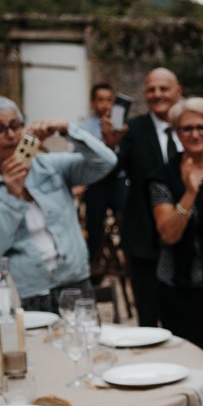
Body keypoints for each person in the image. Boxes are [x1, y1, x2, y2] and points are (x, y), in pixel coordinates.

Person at [0, 92, 116, 310]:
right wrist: (12, 196)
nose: (11, 134)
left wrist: (66, 129)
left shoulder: (51, 166)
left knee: (83, 342)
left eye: (15, 125)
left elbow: (106, 162)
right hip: (25, 294)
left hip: (75, 282)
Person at [148, 97, 203, 363]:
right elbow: (169, 234)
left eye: (201, 127)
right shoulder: (163, 177)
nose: (195, 134)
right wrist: (190, 192)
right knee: (193, 361)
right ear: (177, 133)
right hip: (181, 284)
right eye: (187, 129)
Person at [116, 67, 184, 327]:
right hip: (144, 239)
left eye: (163, 88)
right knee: (148, 315)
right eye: (151, 89)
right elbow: (112, 167)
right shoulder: (132, 130)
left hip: (187, 240)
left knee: (184, 316)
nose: (157, 94)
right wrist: (110, 143)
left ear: (178, 92)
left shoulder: (191, 129)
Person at [79, 82, 127, 276]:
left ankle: (124, 257)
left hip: (117, 180)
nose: (105, 105)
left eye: (109, 100)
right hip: (96, 182)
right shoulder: (84, 127)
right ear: (92, 103)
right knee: (94, 225)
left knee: (126, 217)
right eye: (100, 100)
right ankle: (92, 264)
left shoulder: (121, 125)